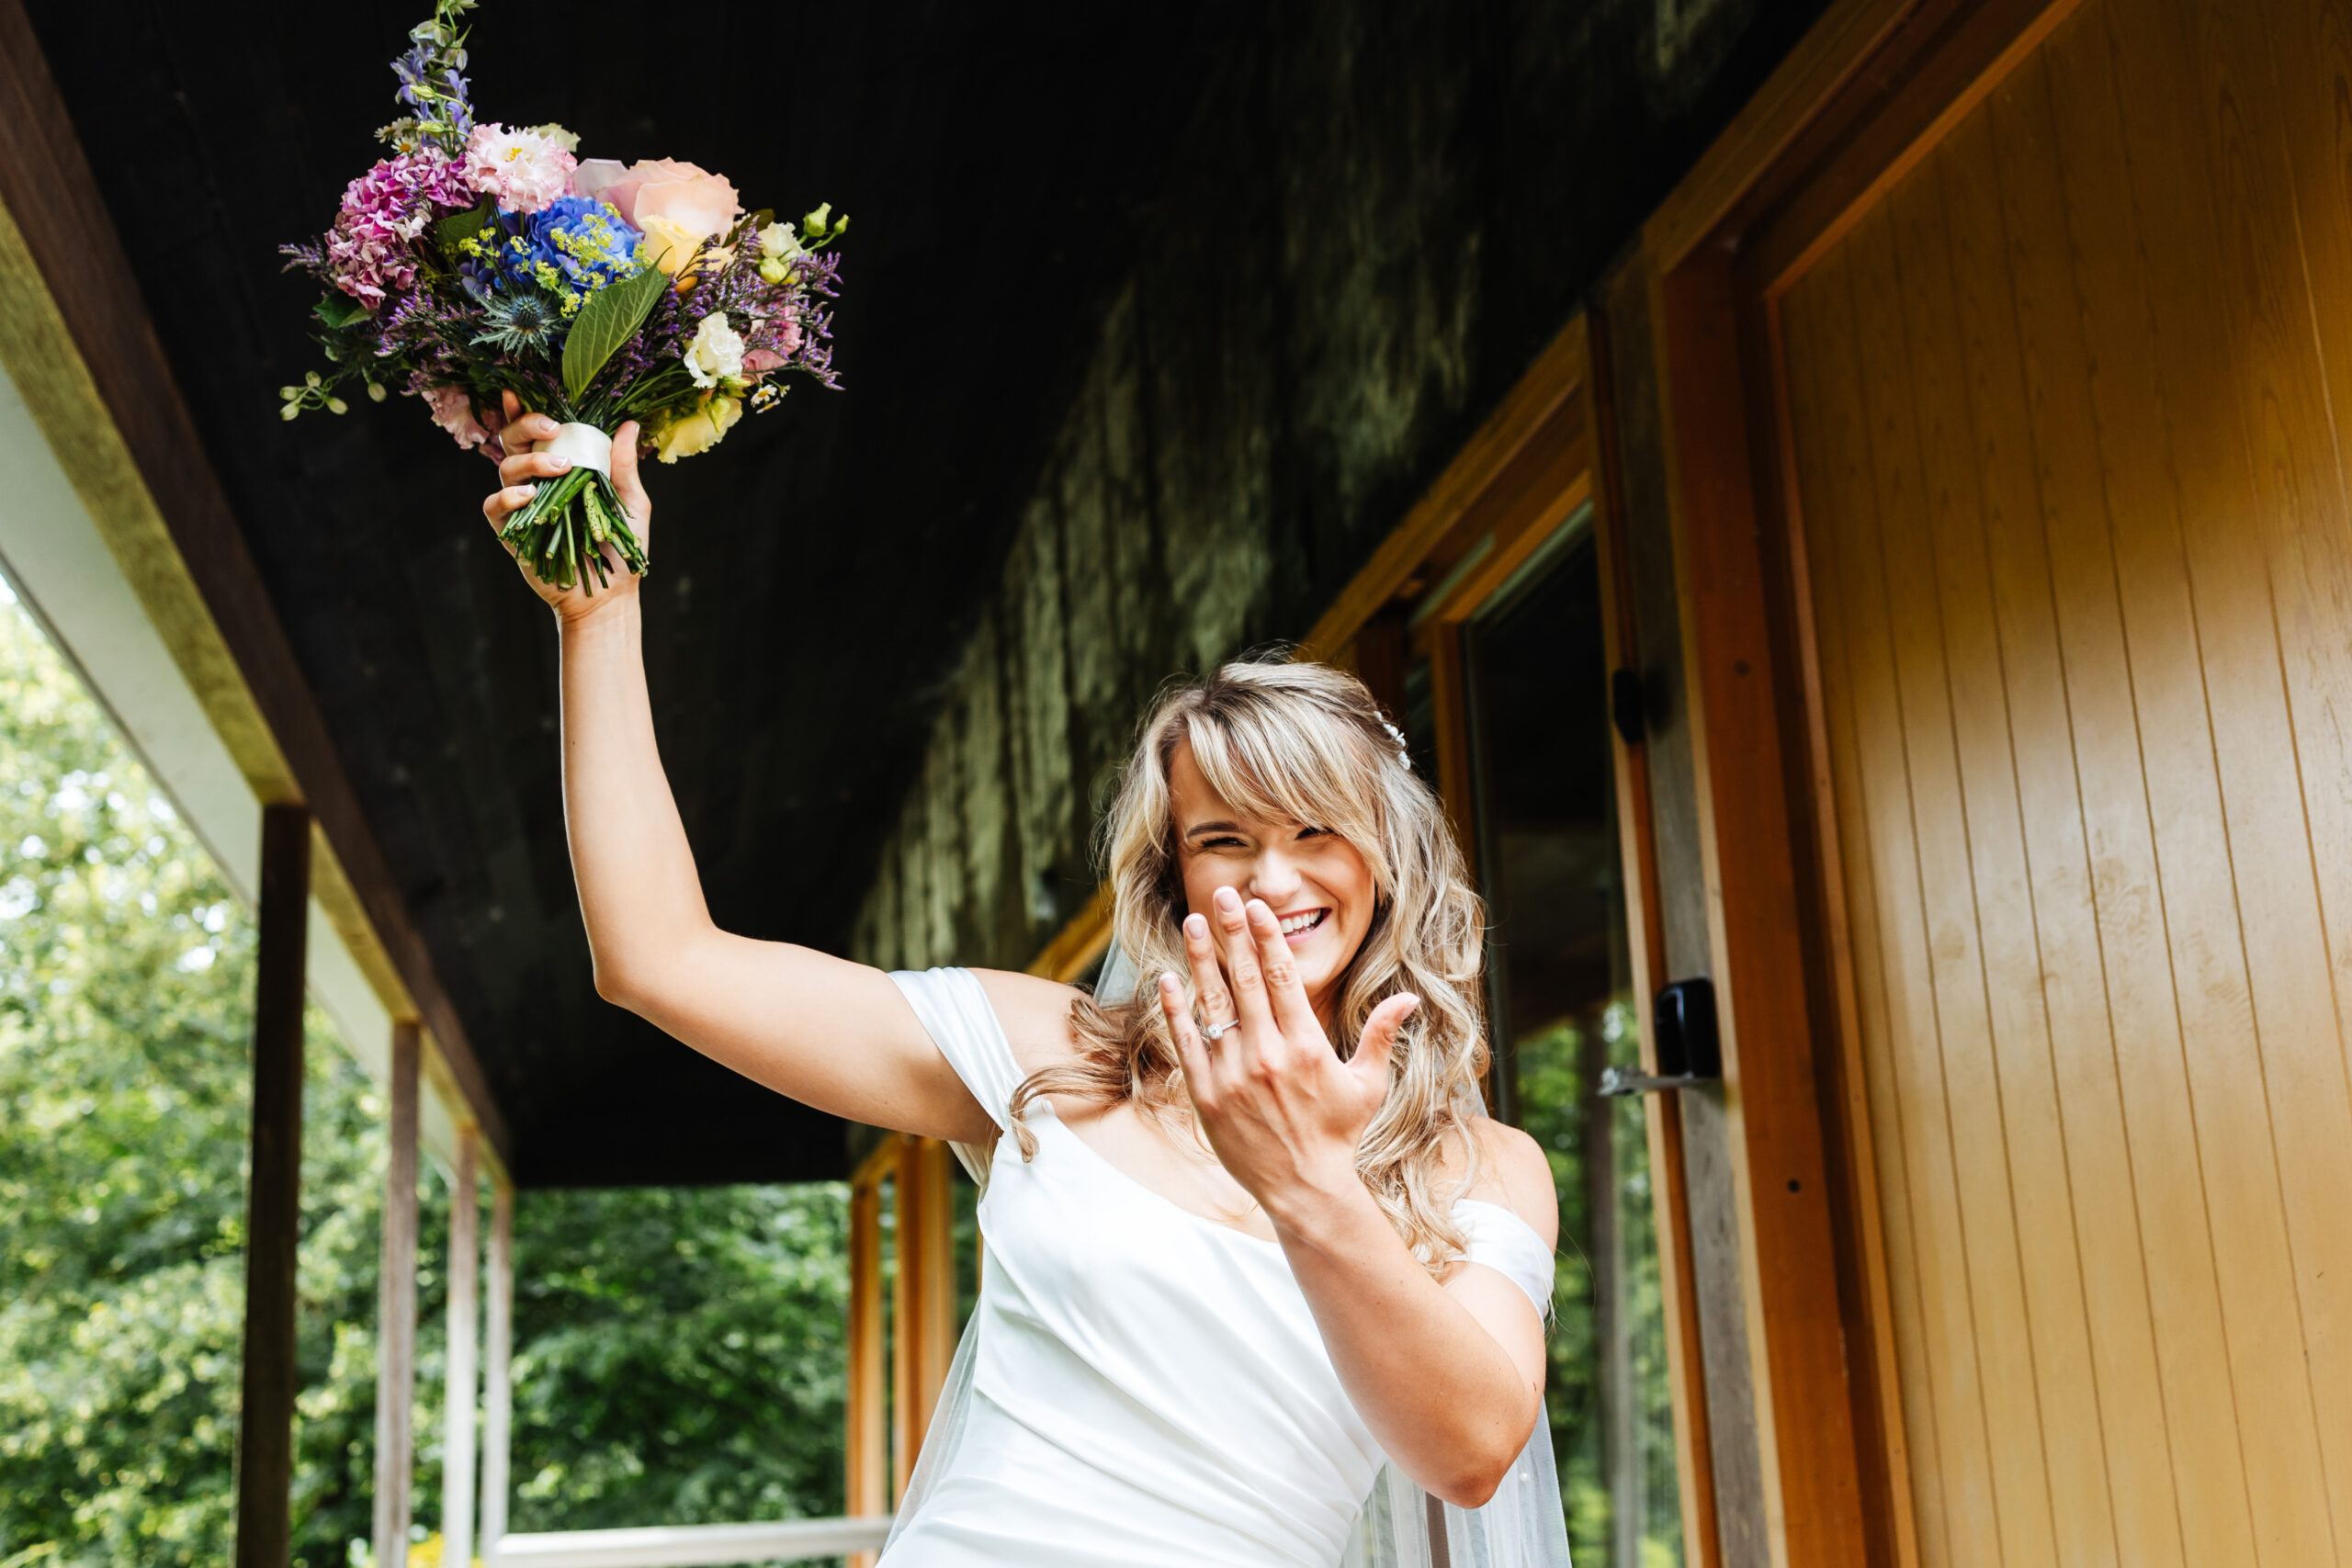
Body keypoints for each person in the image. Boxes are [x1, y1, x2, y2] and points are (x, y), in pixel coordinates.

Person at [481, 397, 1569, 1567]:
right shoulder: (1050, 1051)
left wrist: (1309, 1177)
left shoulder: (1482, 1170)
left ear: (1385, 851)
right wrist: (600, 614)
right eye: (1223, 840)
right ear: (1173, 877)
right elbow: (660, 959)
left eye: (1319, 831)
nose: (1273, 878)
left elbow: (1470, 1453)